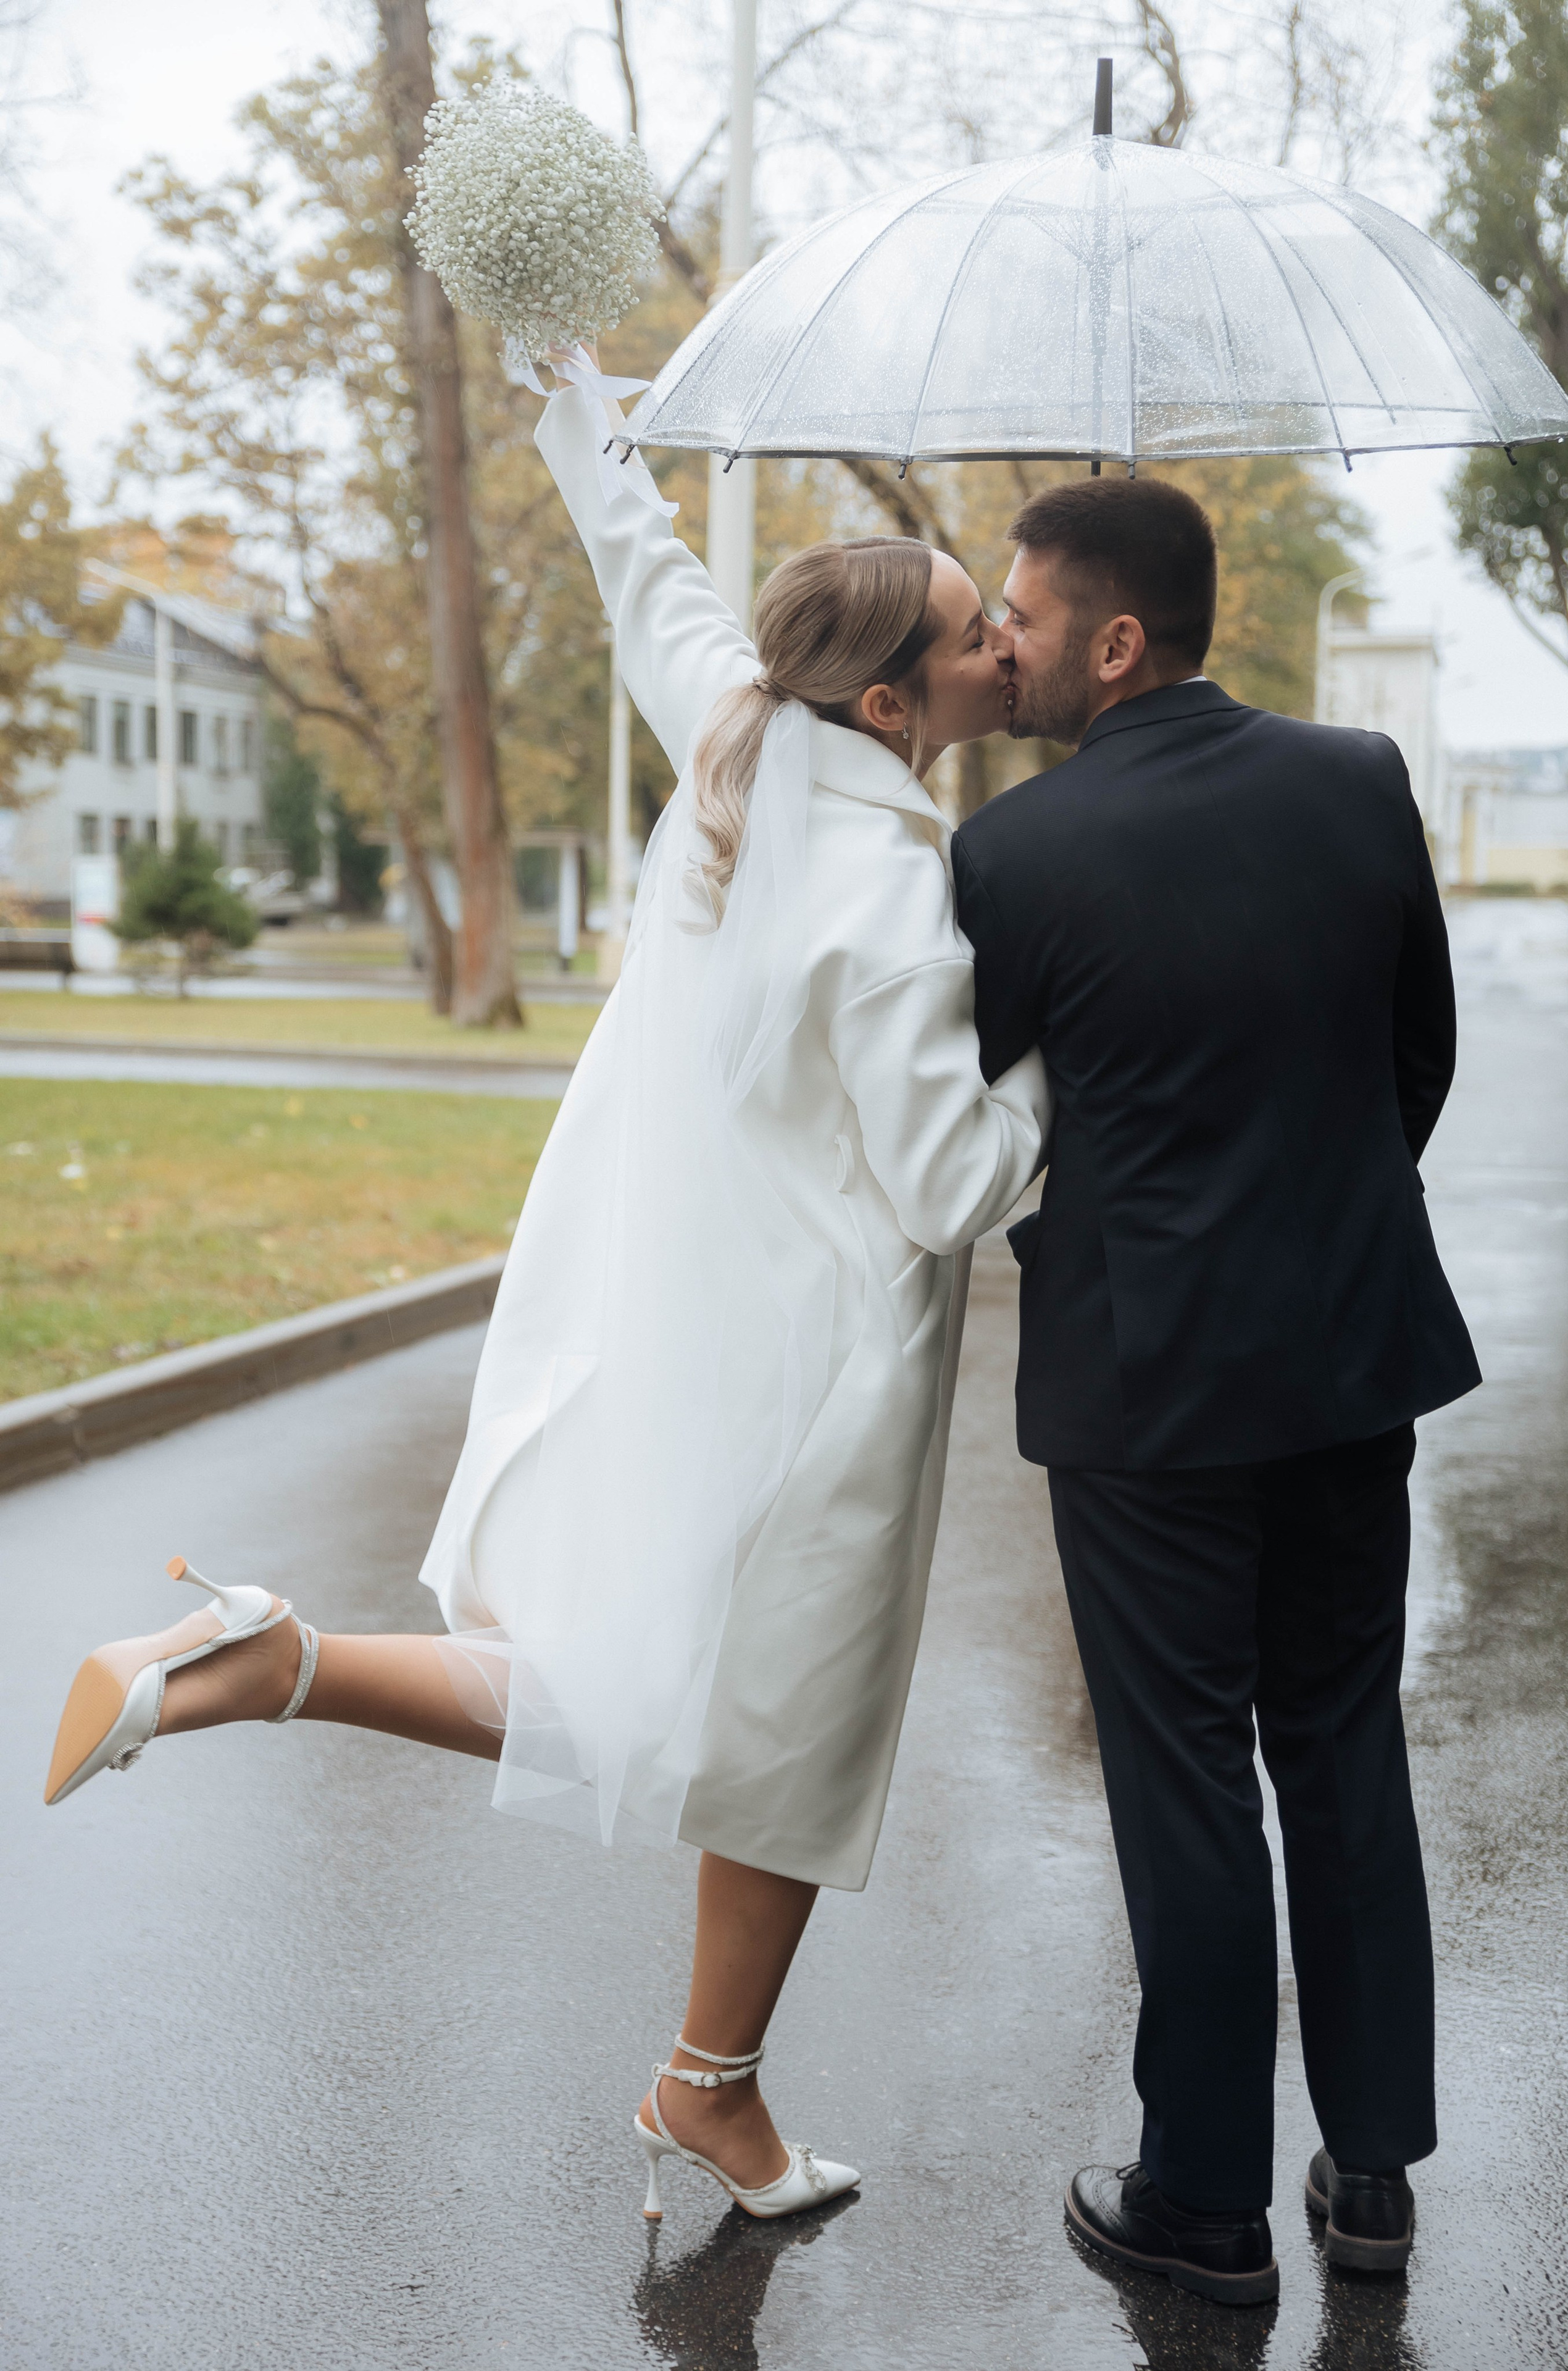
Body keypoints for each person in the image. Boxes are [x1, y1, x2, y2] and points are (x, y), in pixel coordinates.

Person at [43, 369, 1049, 2227]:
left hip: (693, 1332)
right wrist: (1060, 1070)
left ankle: (702, 2081)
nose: (1007, 643)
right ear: (893, 705)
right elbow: (954, 1185)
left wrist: (572, 392)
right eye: (976, 630)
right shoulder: (890, 893)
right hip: (823, 1381)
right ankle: (283, 1670)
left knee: (680, 1704)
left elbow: (641, 565)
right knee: (768, 1733)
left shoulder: (738, 726)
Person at [951, 475, 1480, 2307]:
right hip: (1346, 1353)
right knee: (1340, 1739)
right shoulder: (1359, 781)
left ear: (1114, 641)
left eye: (1022, 613)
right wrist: (1318, 1222)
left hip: (1144, 1381)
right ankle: (1374, 2174)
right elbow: (1418, 1055)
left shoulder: (1012, 853)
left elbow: (981, 1112)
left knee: (1183, 1776)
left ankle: (1199, 2202)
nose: (1000, 639)